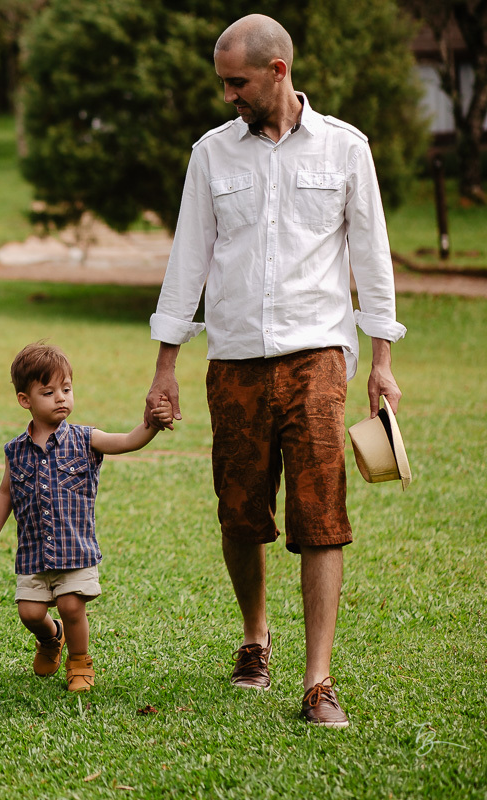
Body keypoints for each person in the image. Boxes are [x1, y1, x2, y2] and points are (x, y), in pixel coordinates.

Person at [144, 14, 406, 728]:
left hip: (318, 354)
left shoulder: (346, 148)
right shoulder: (211, 154)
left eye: (238, 82)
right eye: (223, 82)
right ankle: (255, 639)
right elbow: (187, 261)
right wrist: (165, 367)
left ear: (278, 71)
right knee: (239, 510)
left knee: (321, 515)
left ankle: (318, 680)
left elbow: (372, 261)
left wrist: (380, 362)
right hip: (231, 358)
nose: (228, 94)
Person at [0, 342, 172, 692]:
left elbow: (127, 441)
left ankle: (79, 661)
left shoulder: (86, 438)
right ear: (26, 400)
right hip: (34, 551)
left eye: (66, 389)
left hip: (74, 549)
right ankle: (52, 639)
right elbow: (5, 493)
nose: (61, 398)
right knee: (30, 614)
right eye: (48, 392)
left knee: (70, 603)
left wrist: (151, 425)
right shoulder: (15, 450)